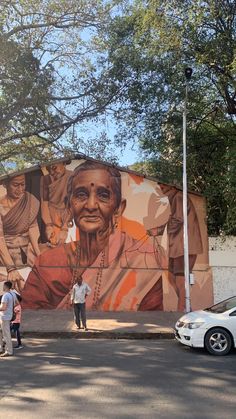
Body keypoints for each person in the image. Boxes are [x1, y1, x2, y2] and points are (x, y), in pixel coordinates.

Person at [22, 161, 170, 311]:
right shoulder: (47, 264)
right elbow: (30, 320)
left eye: (103, 195)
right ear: (69, 206)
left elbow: (149, 326)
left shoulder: (144, 260)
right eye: (81, 194)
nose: (91, 205)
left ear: (118, 208)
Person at [161, 185, 203, 311]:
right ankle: (186, 306)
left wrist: (160, 230)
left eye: (162, 185)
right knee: (172, 276)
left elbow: (178, 219)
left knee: (180, 278)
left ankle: (182, 310)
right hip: (178, 247)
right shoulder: (174, 197)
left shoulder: (178, 197)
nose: (160, 187)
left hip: (184, 246)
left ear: (170, 186)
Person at [0, 174, 40, 292]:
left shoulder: (29, 200)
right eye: (16, 185)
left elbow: (32, 227)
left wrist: (39, 255)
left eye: (23, 184)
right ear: (5, 184)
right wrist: (11, 268)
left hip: (26, 252)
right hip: (5, 255)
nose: (20, 189)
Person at [40, 162, 72, 246]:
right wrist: (48, 225)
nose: (51, 172)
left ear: (64, 164)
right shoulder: (45, 179)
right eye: (48, 169)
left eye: (54, 168)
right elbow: (44, 203)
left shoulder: (74, 177)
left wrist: (65, 228)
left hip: (69, 215)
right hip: (51, 216)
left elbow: (74, 203)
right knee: (53, 244)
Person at [0, 281, 17, 357]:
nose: (2, 287)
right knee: (2, 332)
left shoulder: (5, 295)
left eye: (3, 286)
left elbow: (3, 308)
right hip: (8, 315)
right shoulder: (13, 294)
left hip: (4, 317)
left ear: (6, 287)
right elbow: (16, 303)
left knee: (6, 334)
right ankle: (1, 348)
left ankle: (9, 351)